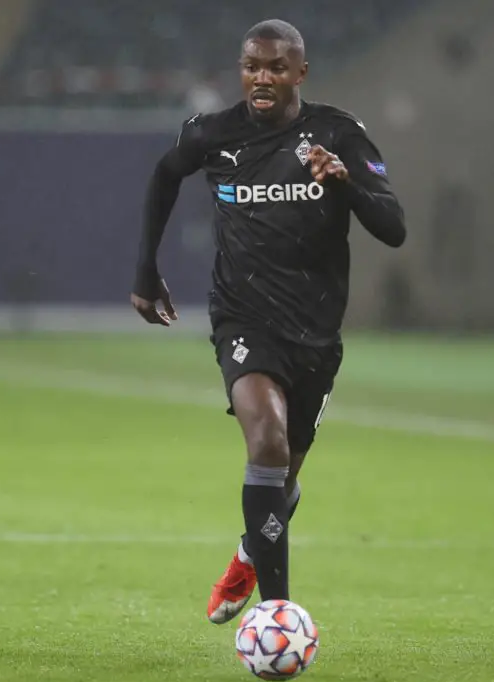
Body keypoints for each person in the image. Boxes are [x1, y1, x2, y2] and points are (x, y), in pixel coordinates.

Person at [131, 19, 406, 623]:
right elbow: (164, 174)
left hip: (316, 331)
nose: (262, 78)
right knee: (267, 442)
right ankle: (277, 614)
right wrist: (146, 269)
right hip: (243, 317)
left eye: (276, 68)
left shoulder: (337, 134)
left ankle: (247, 555)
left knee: (282, 478)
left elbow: (393, 228)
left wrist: (346, 183)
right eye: (252, 66)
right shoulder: (212, 134)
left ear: (299, 73)